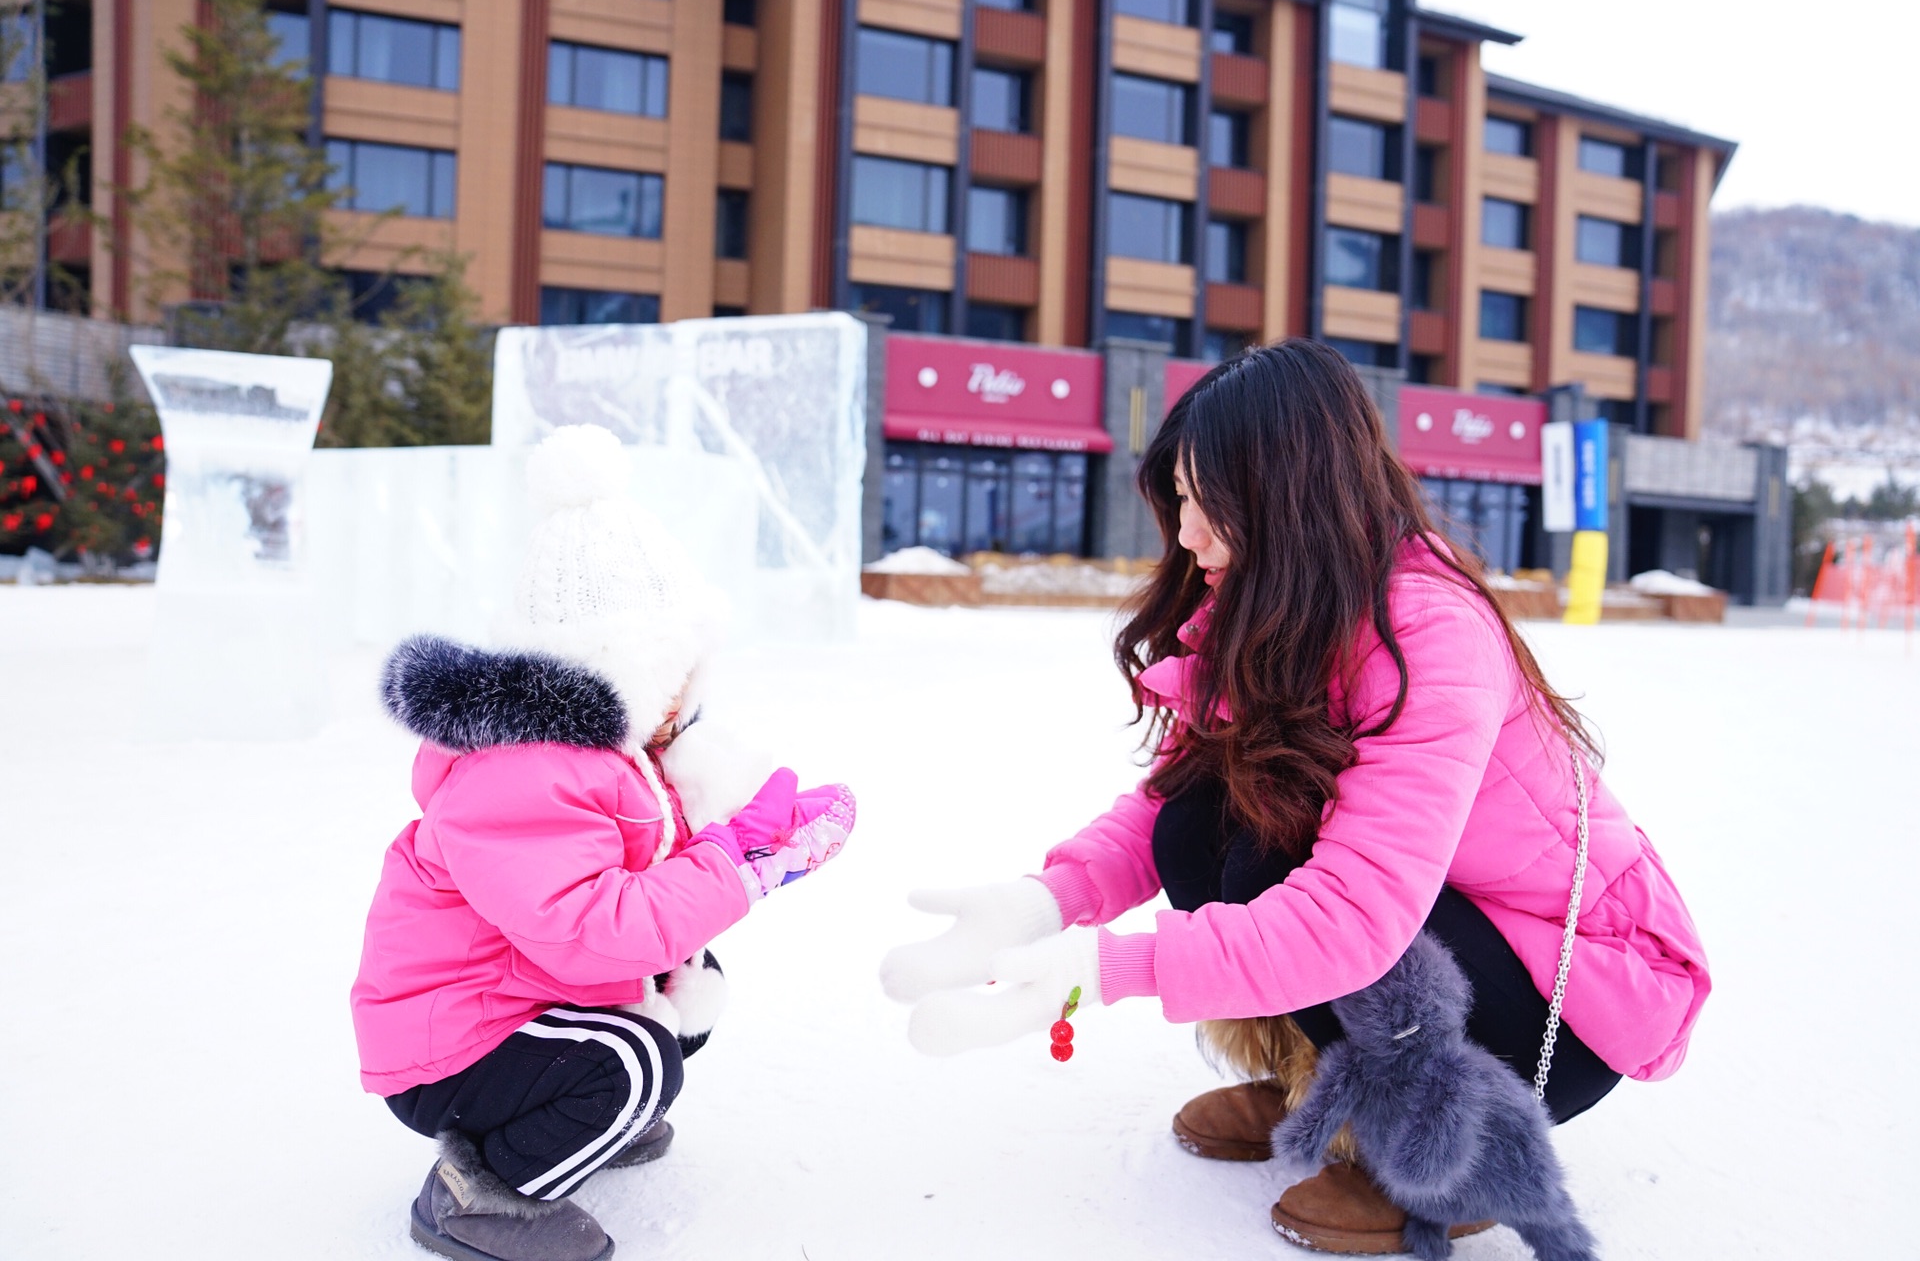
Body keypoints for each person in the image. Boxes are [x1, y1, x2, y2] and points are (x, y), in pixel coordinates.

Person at [881, 340, 1708, 1252]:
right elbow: (1170, 805)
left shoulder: (1432, 635)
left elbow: (1356, 916)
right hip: (1446, 939)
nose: (1186, 535)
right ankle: (1320, 1082)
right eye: (1183, 502)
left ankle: (1447, 1153)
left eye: (1207, 505)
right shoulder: (1291, 609)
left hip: (1563, 996)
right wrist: (1039, 905)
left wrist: (1105, 971)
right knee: (1206, 825)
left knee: (1269, 858)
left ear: (1287, 498)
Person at [352, 425, 856, 1261]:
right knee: (635, 1059)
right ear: (623, 668)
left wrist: (748, 832)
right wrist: (738, 869)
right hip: (448, 1046)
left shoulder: (607, 752)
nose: (689, 693)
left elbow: (633, 858)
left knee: (686, 980)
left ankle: (566, 1124)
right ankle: (479, 1192)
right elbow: (595, 931)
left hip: (519, 996)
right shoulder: (519, 772)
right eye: (674, 670)